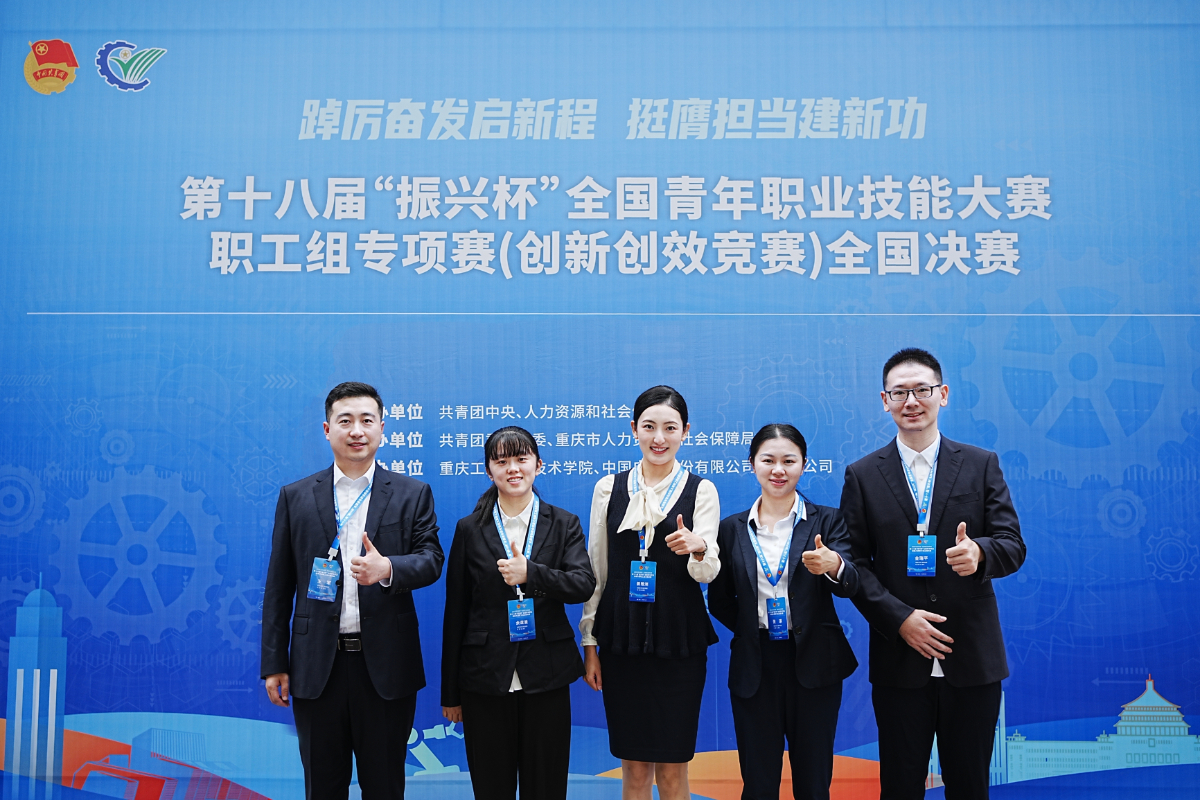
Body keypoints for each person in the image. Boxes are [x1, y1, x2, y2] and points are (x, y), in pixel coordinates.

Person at [840, 349, 1025, 800]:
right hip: (900, 661)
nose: (911, 401)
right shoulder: (862, 475)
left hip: (972, 658)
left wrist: (979, 553)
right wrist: (900, 619)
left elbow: (1012, 545)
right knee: (900, 787)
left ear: (942, 394)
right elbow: (854, 564)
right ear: (884, 400)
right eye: (899, 392)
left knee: (970, 787)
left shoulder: (980, 464)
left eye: (922, 390)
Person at [261, 382, 444, 800]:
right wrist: (274, 662)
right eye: (345, 421)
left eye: (367, 420)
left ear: (382, 429)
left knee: (385, 787)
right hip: (316, 668)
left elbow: (432, 559)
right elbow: (278, 586)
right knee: (323, 788)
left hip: (385, 667)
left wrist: (388, 568)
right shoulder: (295, 496)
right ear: (328, 429)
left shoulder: (412, 493)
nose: (357, 430)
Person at [579, 385, 721, 800]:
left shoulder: (701, 490)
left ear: (686, 431)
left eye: (670, 428)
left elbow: (707, 573)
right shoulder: (609, 488)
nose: (659, 438)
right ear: (634, 429)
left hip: (679, 642)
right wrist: (590, 642)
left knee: (674, 772)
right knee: (634, 770)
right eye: (649, 427)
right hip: (621, 642)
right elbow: (597, 570)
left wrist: (698, 548)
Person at [441, 426, 596, 800]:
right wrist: (450, 693)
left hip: (547, 674)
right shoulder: (469, 529)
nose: (512, 468)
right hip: (484, 677)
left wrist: (533, 574)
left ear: (538, 465)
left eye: (521, 459)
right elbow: (456, 612)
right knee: (490, 787)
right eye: (501, 461)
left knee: (546, 787)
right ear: (489, 470)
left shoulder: (564, 523)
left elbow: (583, 584)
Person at [708, 424, 859, 800]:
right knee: (758, 783)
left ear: (804, 464)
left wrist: (834, 565)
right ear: (752, 464)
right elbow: (720, 599)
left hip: (815, 662)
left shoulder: (828, 521)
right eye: (768, 460)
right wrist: (751, 626)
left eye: (789, 461)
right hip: (755, 664)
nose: (778, 470)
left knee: (814, 782)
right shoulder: (731, 529)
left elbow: (850, 583)